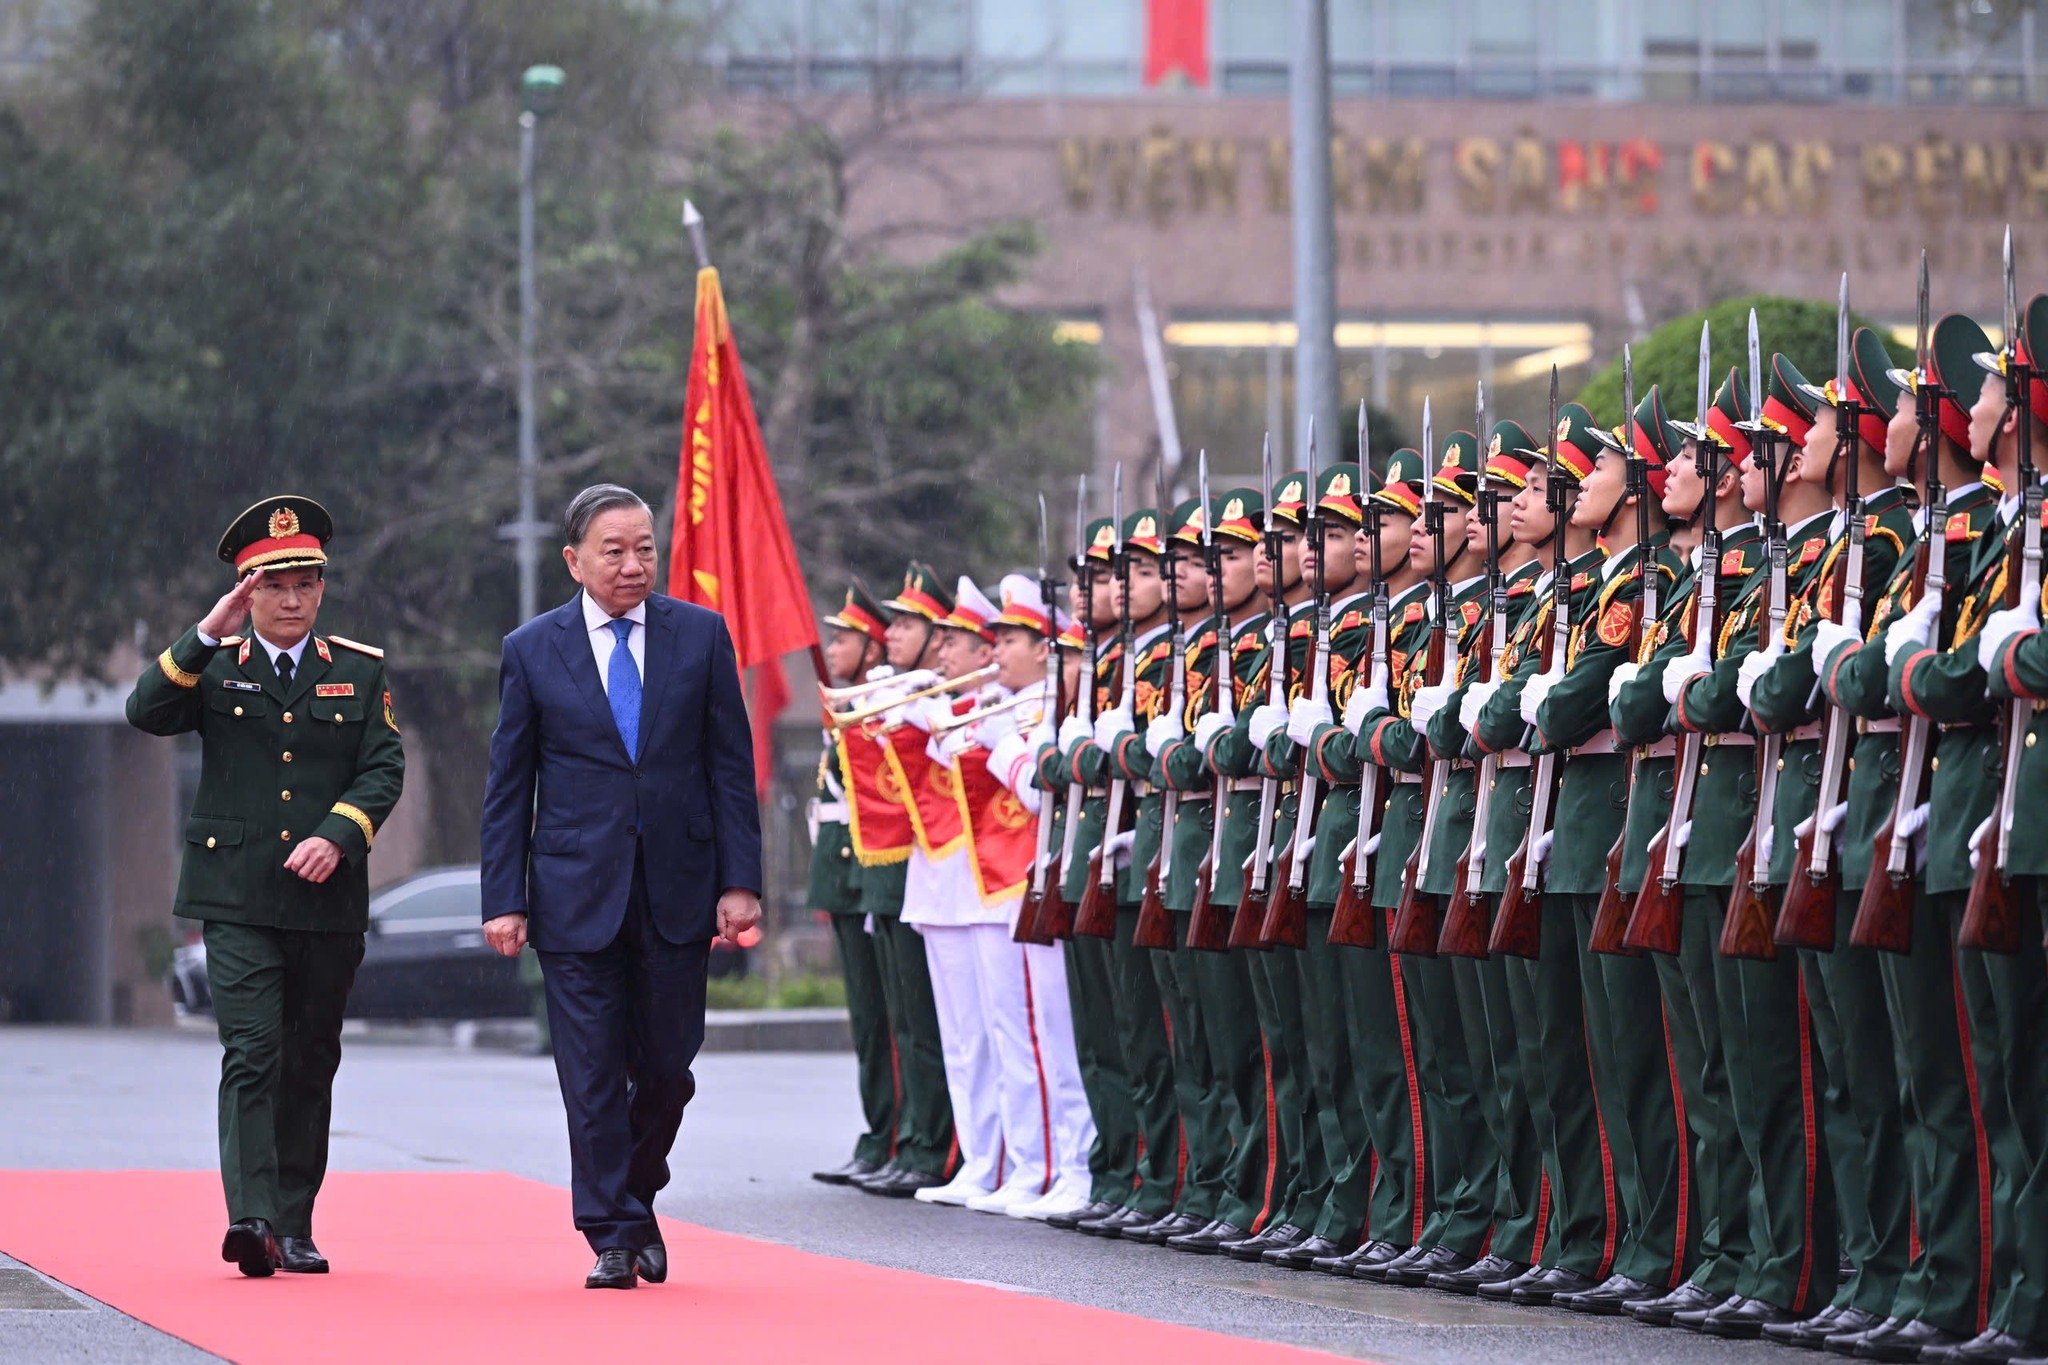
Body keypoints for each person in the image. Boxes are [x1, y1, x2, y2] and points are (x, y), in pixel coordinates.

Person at [479, 482, 762, 1291]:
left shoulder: (701, 637)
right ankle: (612, 1230)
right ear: (574, 560)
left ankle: (633, 1193)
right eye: (615, 550)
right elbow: (510, 783)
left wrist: (741, 881)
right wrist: (505, 897)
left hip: (677, 884)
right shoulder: (533, 648)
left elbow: (730, 770)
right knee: (592, 1073)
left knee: (670, 1065)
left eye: (645, 548)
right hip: (573, 893)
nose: (634, 563)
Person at [125, 495, 405, 1277]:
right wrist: (207, 630)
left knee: (310, 1057)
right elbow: (144, 710)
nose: (290, 599)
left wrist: (339, 832)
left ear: (321, 588)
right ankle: (250, 1217)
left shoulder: (358, 668)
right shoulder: (211, 665)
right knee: (252, 1049)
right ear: (247, 592)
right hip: (236, 897)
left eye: (304, 584)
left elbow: (384, 765)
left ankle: (293, 1218)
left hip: (325, 902)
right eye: (272, 585)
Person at [809, 582, 898, 1186]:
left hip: (868, 867)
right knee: (867, 1020)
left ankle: (897, 1135)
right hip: (842, 874)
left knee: (890, 1017)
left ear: (872, 648)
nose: (832, 647)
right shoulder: (848, 706)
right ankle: (879, 1134)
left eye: (844, 638)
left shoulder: (880, 706)